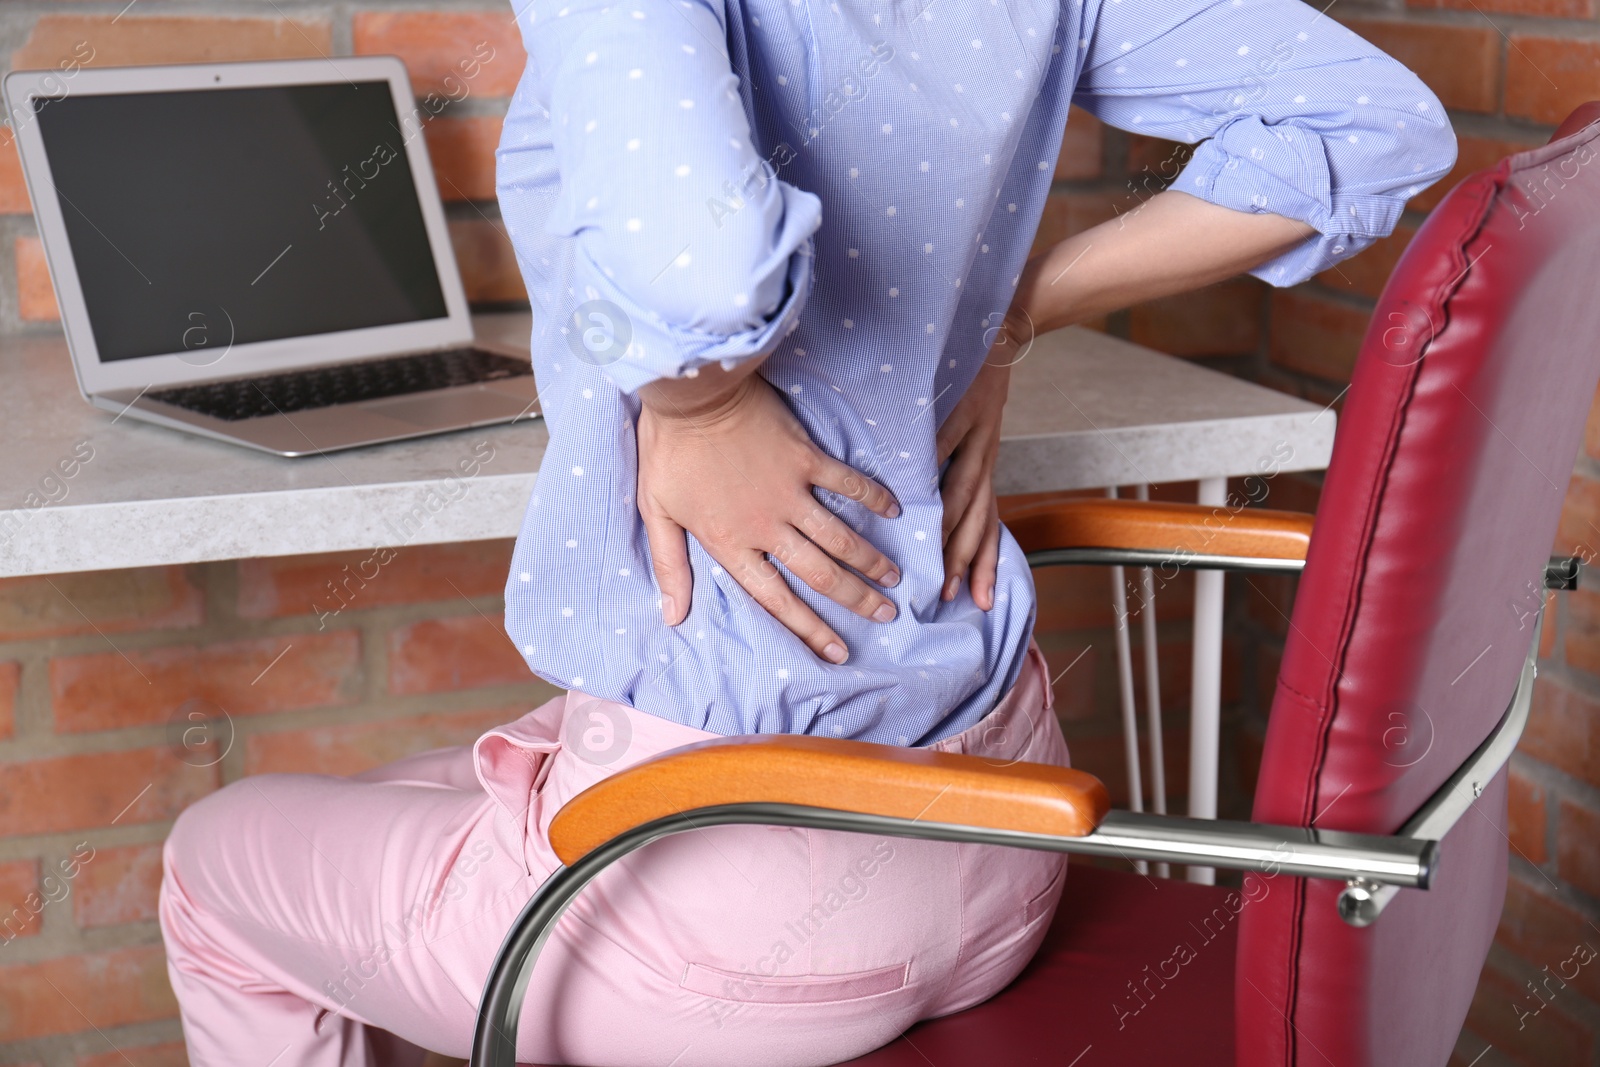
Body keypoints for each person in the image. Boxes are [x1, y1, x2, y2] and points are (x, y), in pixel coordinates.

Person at [159, 0, 1456, 1063]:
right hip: (1001, 838)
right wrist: (1020, 312)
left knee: (216, 871)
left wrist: (702, 392)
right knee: (406, 802)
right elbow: (1375, 123)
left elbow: (697, 265)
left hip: (728, 915)